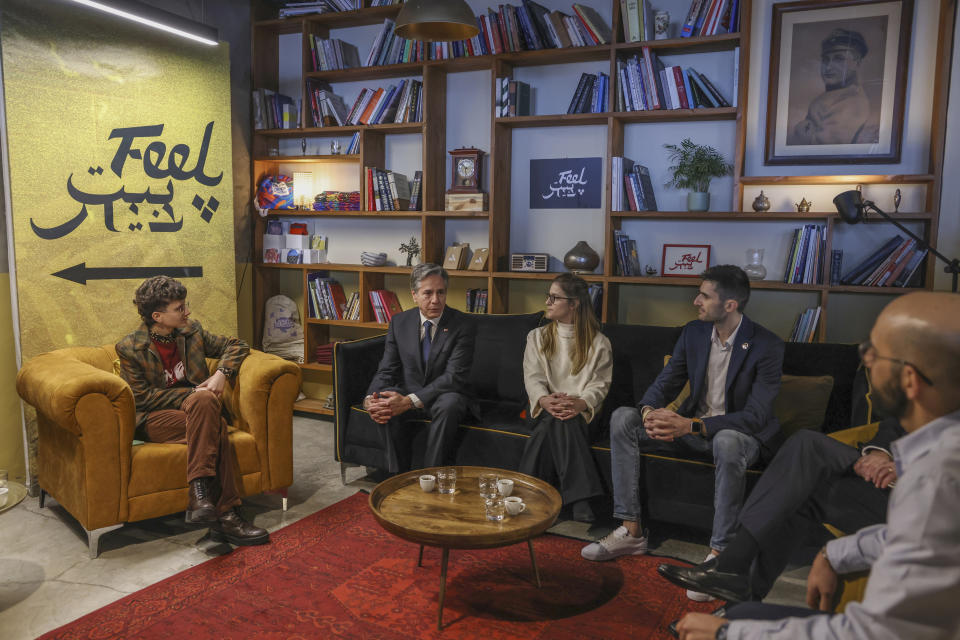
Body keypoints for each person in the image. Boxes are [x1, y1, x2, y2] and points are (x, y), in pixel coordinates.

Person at [672, 291, 960, 640]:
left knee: (807, 449)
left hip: (898, 499)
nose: (866, 359)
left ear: (911, 379)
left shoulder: (939, 481)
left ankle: (733, 573)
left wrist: (730, 634)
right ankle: (737, 587)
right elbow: (894, 434)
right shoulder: (938, 443)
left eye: (877, 351)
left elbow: (875, 632)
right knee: (802, 481)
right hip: (889, 491)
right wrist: (833, 551)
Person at [582, 265, 784, 603]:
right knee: (622, 418)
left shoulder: (767, 345)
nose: (696, 301)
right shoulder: (693, 333)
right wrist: (650, 413)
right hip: (692, 427)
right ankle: (631, 531)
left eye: (704, 296)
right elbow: (665, 384)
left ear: (731, 304)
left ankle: (720, 557)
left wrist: (690, 425)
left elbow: (755, 416)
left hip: (739, 436)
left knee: (727, 440)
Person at [658, 416, 904, 602]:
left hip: (924, 507)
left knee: (808, 445)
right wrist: (879, 453)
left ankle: (731, 566)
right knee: (802, 489)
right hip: (887, 493)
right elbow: (898, 421)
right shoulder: (931, 386)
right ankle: (742, 605)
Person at [116, 276, 269, 546]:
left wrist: (222, 373)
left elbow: (237, 345)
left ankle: (201, 498)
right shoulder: (131, 348)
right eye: (179, 308)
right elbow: (141, 398)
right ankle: (229, 515)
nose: (187, 312)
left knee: (207, 408)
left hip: (199, 410)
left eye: (185, 305)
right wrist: (192, 392)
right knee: (211, 415)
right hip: (156, 418)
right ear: (158, 316)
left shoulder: (192, 332)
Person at [364, 263, 475, 472]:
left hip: (446, 395)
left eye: (441, 292)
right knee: (383, 402)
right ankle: (396, 477)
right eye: (428, 293)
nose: (436, 300)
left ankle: (430, 477)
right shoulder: (399, 322)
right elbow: (387, 368)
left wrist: (409, 401)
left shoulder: (463, 324)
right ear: (414, 295)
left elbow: (454, 377)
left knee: (450, 403)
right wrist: (371, 398)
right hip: (409, 391)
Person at [520, 273, 612, 523]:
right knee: (555, 420)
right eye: (548, 296)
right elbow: (533, 377)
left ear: (574, 304)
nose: (547, 302)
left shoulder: (599, 343)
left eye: (555, 297)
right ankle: (580, 500)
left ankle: (528, 496)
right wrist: (545, 400)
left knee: (561, 422)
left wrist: (579, 403)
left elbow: (599, 385)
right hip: (543, 408)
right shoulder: (536, 337)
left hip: (582, 412)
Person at [789, 28, 878, 146]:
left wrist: (800, 132)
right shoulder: (833, 96)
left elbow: (823, 151)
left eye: (839, 59)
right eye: (825, 60)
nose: (828, 67)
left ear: (857, 63)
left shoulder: (852, 103)